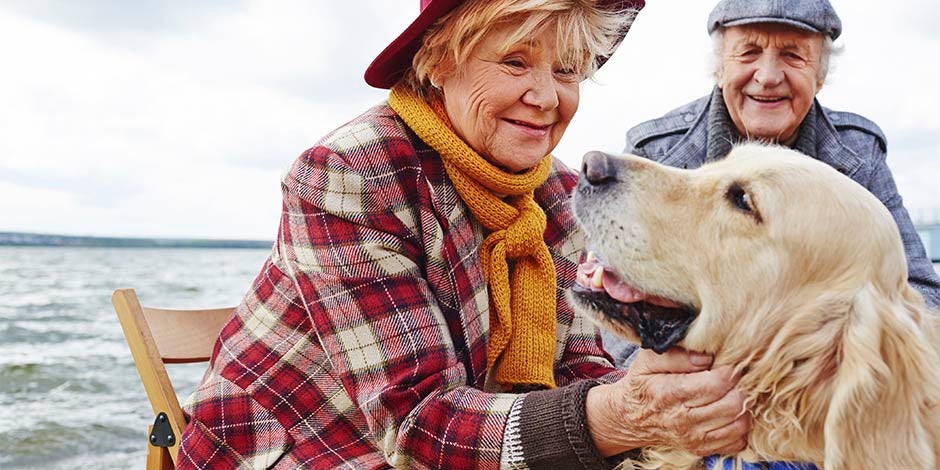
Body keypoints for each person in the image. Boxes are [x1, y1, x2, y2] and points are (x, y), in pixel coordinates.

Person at [176, 1, 753, 469]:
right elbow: (416, 424)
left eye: (568, 70)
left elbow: (579, 368)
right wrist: (623, 413)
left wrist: (658, 398)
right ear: (438, 61)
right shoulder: (346, 174)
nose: (548, 97)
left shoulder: (556, 193)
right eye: (515, 62)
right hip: (307, 447)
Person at [603, 0, 940, 369]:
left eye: (793, 55)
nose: (767, 75)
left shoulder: (859, 155)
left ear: (821, 75)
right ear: (719, 67)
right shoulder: (655, 154)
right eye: (748, 52)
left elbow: (920, 296)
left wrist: (803, 351)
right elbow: (614, 333)